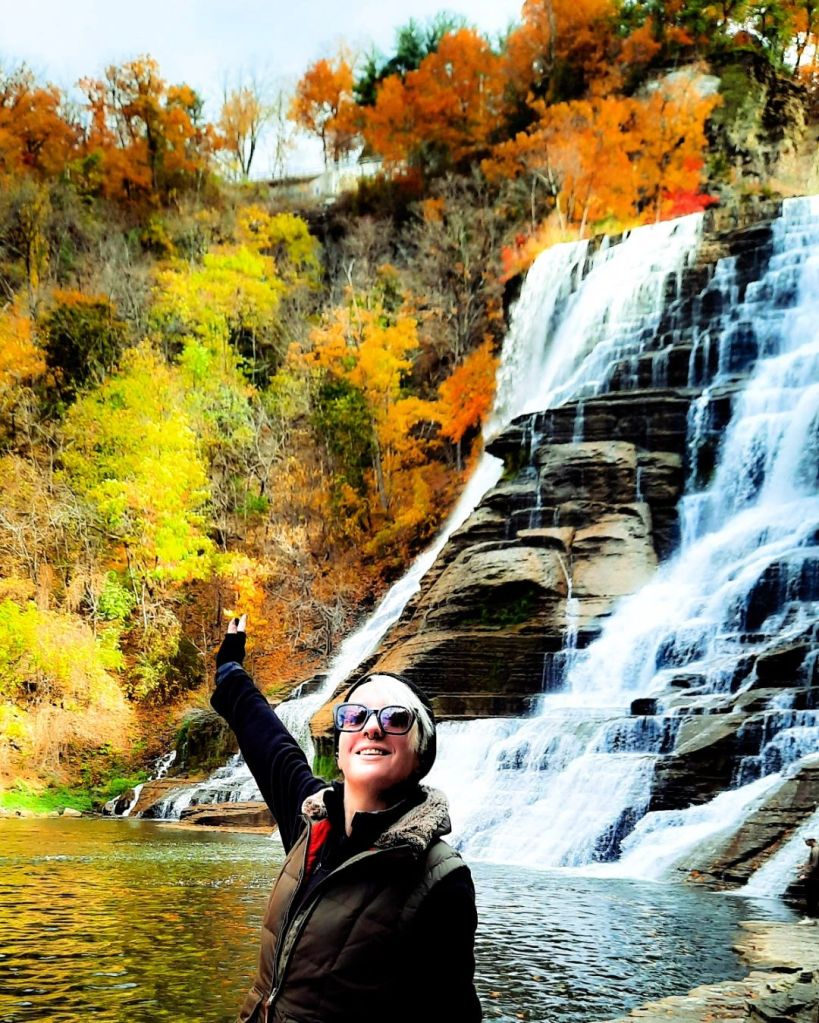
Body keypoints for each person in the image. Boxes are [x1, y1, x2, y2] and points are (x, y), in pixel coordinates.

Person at [211, 615, 482, 1023]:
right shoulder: (311, 821)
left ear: (421, 754)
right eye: (355, 717)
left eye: (395, 718)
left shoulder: (439, 879)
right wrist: (230, 667)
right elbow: (267, 739)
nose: (372, 728)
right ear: (339, 749)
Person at [800, 836, 819, 917]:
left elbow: (814, 865)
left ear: (811, 840)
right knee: (813, 898)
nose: (805, 843)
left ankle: (811, 917)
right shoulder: (815, 849)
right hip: (814, 877)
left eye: (806, 841)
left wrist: (805, 874)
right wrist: (804, 866)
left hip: (814, 878)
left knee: (811, 898)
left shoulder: (815, 850)